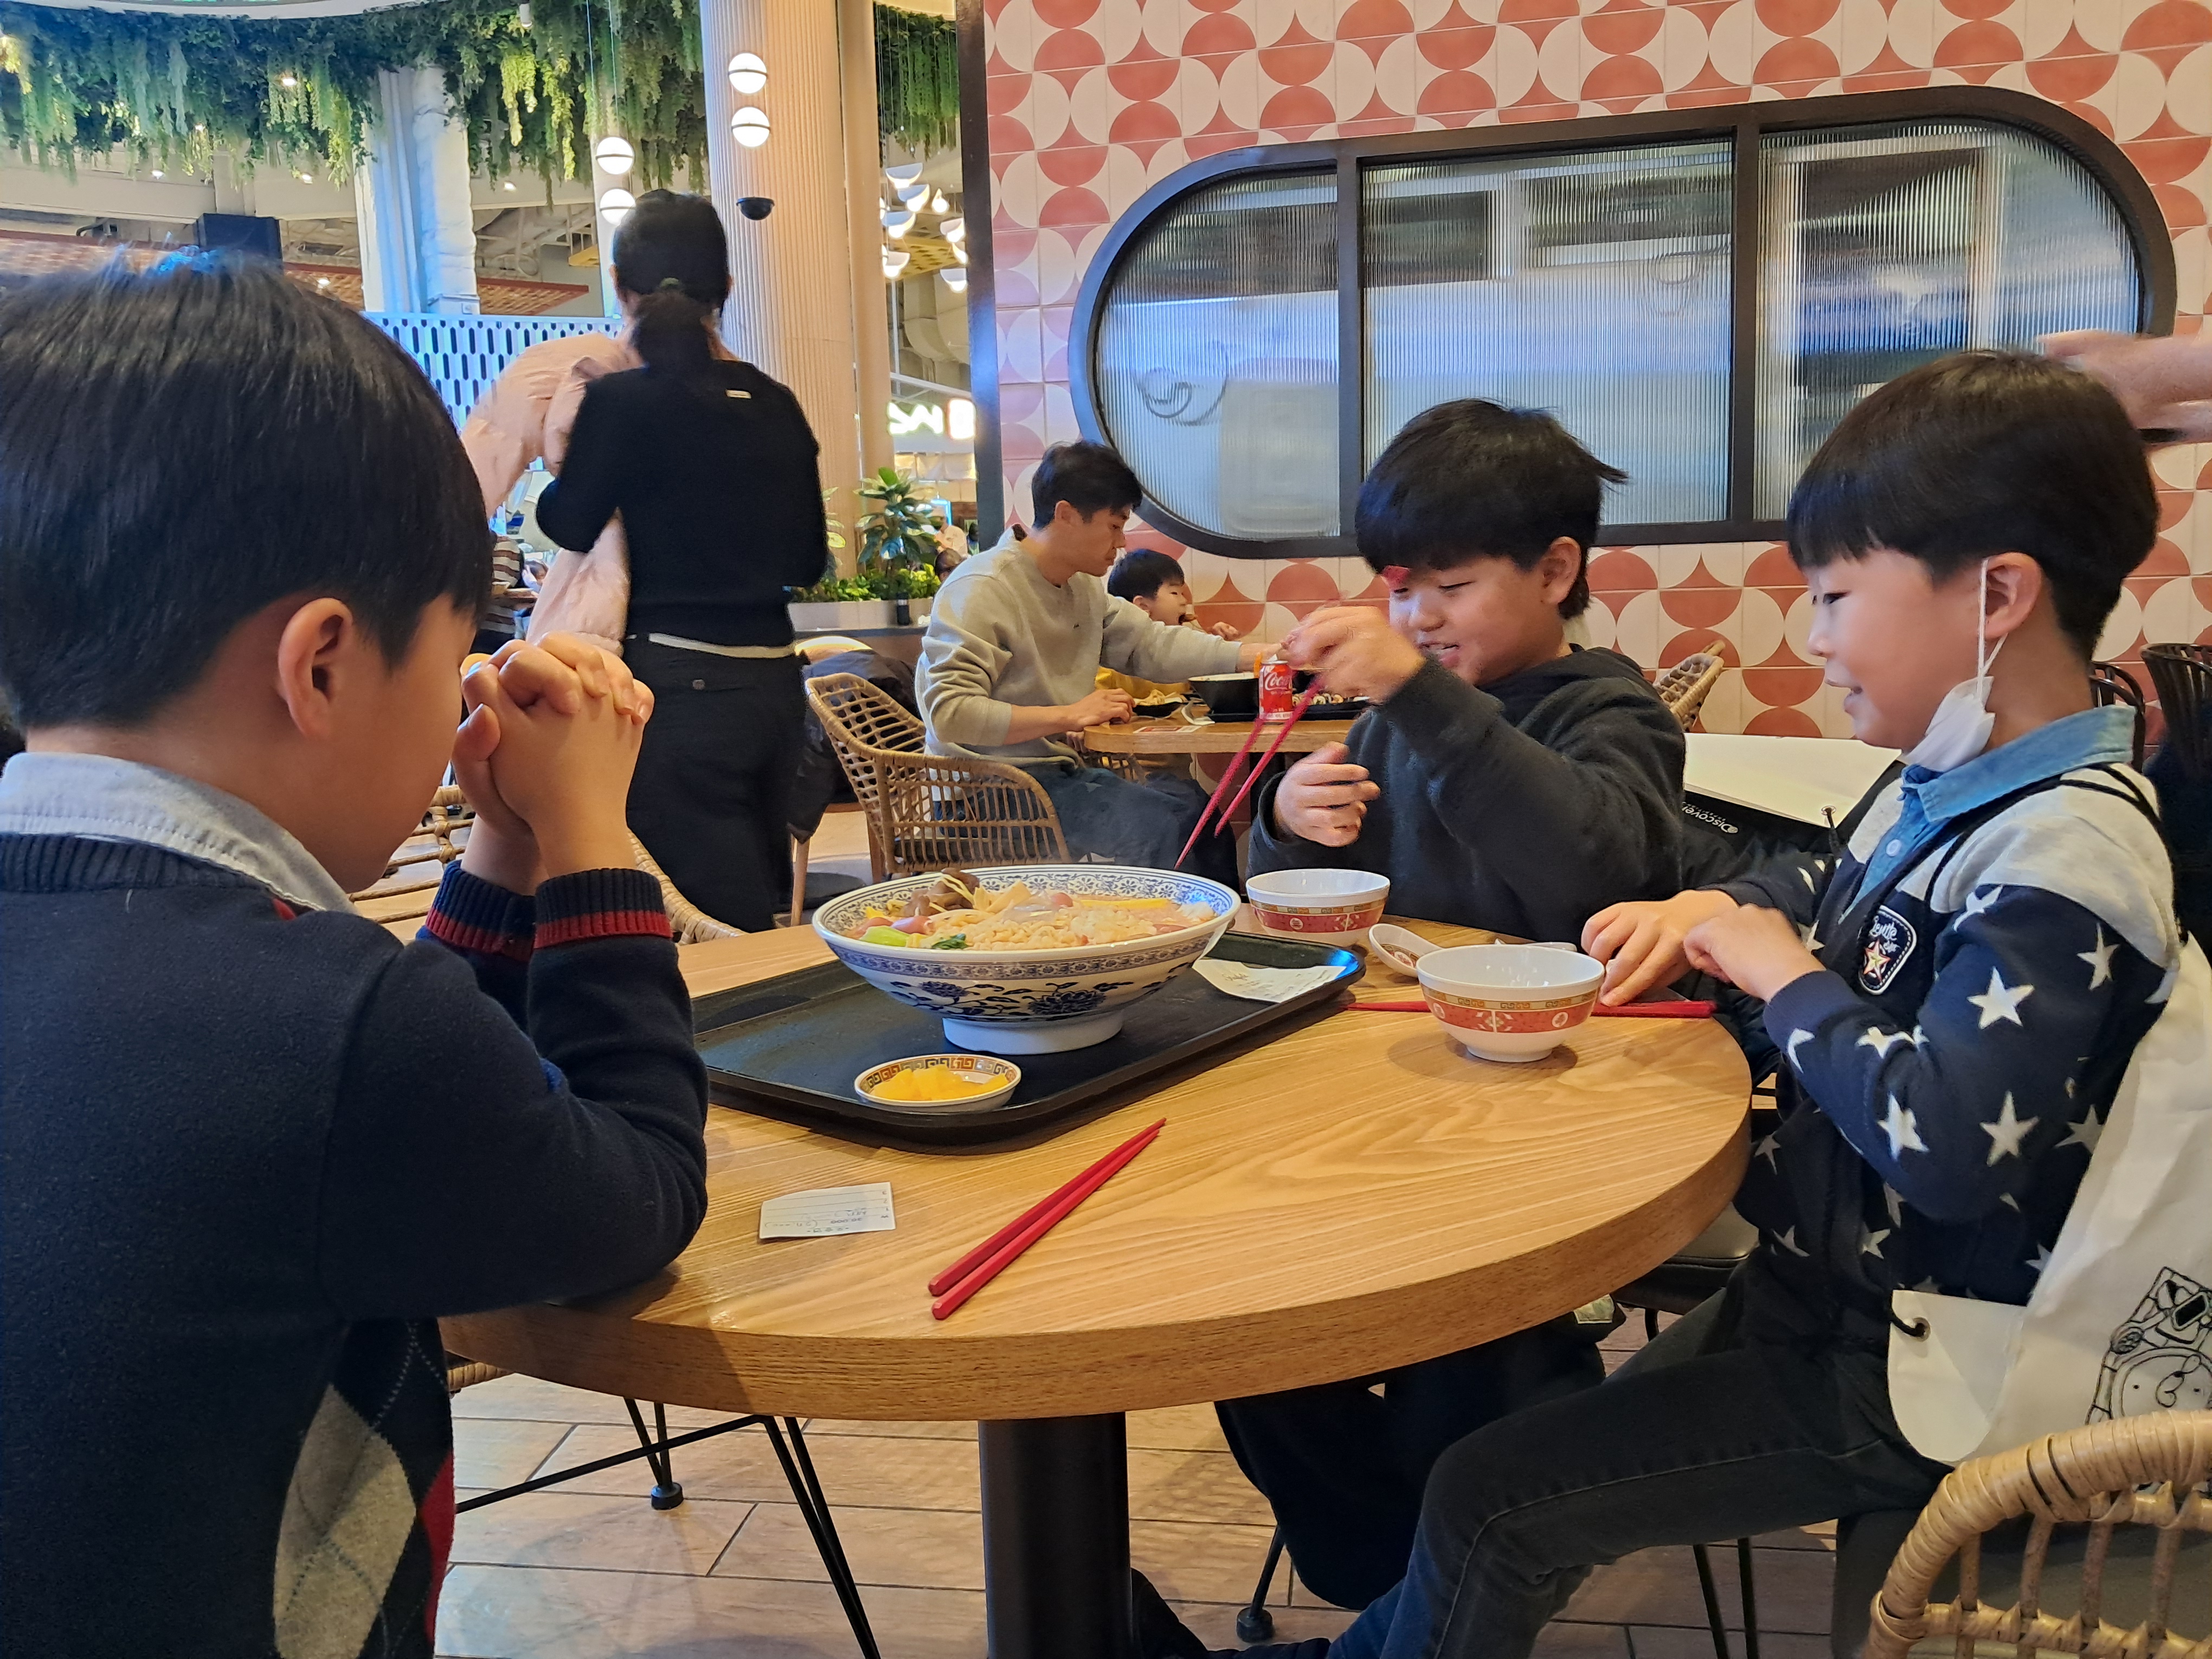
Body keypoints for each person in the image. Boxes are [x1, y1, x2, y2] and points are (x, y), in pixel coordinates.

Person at [1210, 349, 2179, 1659]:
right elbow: (1816, 879)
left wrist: (1783, 971)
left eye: (1834, 596)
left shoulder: (2065, 851)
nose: (1815, 638)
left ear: (1995, 596)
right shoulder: (1948, 787)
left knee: (1492, 1498)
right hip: (1822, 1295)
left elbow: (1951, 1146)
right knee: (1492, 1482)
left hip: (1933, 1360)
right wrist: (1713, 908)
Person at [0, 257, 711, 1657]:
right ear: (322, 665)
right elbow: (633, 1197)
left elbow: (389, 1110)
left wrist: (499, 851)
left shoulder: (299, 1009)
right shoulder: (330, 1027)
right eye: (453, 657)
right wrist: (589, 834)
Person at [1198, 400, 1685, 1614]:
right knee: (1245, 1330)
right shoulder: (1395, 724)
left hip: (1548, 1138)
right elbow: (1304, 897)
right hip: (1382, 1114)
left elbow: (1590, 866)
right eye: (1403, 590)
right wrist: (1288, 824)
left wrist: (1419, 693)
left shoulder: (1609, 713)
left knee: (1470, 1372)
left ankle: (1450, 1562)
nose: (1417, 617)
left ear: (1556, 571)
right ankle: (1402, 1583)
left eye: (1452, 587)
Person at [533, 191, 830, 934]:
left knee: (696, 925)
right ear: (724, 289)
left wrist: (566, 462)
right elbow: (808, 561)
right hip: (774, 690)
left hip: (678, 688)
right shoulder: (775, 402)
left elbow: (569, 524)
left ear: (620, 286)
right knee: (749, 912)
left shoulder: (619, 403)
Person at [915, 442, 1269, 880]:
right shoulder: (983, 587)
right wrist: (1069, 715)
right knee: (1160, 827)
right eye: (1114, 526)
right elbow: (950, 714)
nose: (1121, 543)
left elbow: (1151, 645)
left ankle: (1218, 925)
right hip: (983, 793)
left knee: (1200, 817)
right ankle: (1156, 926)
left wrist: (1259, 656)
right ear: (1066, 515)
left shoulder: (1082, 588)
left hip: (1054, 775)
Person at [1097, 548, 1240, 704]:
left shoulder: (1180, 651)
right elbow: (1096, 703)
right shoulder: (1110, 659)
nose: (1184, 601)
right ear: (1143, 606)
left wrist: (1218, 645)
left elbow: (1206, 692)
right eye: (1175, 593)